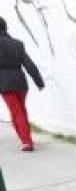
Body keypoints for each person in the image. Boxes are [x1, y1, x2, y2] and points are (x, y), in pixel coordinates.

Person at [0, 16, 44, 152]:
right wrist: (39, 81)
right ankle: (27, 138)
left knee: (16, 112)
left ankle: (26, 141)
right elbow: (29, 64)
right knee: (21, 111)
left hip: (5, 83)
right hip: (20, 82)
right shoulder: (18, 44)